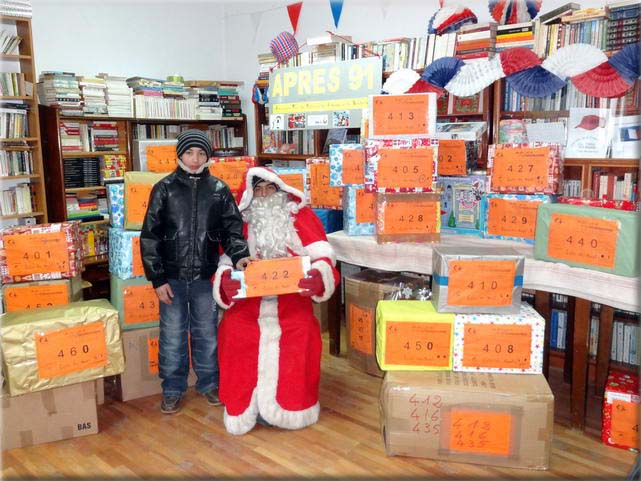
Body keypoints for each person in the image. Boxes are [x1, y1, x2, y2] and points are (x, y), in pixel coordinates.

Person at [212, 167, 339, 435]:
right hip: (248, 304)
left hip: (292, 300)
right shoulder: (239, 223)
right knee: (234, 331)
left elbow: (324, 256)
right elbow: (223, 262)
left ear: (281, 191)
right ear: (250, 195)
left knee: (301, 330)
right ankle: (248, 405)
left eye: (270, 188)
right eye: (258, 190)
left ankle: (292, 405)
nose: (265, 195)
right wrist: (226, 282)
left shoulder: (300, 217)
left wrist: (320, 276)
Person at [141, 129, 251, 415]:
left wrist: (240, 256)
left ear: (208, 157)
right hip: (172, 279)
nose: (194, 159)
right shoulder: (163, 189)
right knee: (173, 335)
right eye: (189, 152)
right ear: (180, 154)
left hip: (206, 276)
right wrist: (157, 278)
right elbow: (150, 236)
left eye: (201, 153)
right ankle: (173, 389)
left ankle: (209, 383)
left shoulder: (218, 190)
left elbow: (232, 230)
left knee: (207, 333)